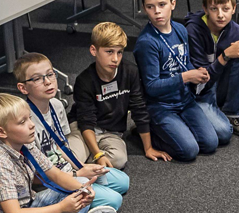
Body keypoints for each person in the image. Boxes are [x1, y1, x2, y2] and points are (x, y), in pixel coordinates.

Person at [14, 52, 130, 213]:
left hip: (65, 169)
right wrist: (76, 174)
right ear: (23, 88)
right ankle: (71, 211)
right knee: (114, 199)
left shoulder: (56, 105)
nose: (48, 82)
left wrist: (81, 166)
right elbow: (31, 173)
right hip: (47, 181)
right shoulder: (23, 121)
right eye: (38, 78)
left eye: (50, 74)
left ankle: (84, 196)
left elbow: (60, 145)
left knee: (123, 182)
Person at [133, 0, 230, 161]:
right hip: (161, 106)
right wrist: (186, 77)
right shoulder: (147, 43)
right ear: (145, 9)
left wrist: (197, 73)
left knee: (210, 144)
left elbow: (183, 63)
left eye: (162, 5)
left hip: (185, 100)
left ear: (173, 4)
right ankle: (148, 131)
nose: (157, 12)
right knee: (189, 151)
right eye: (150, 7)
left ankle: (176, 129)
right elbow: (152, 86)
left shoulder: (180, 30)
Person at [69, 22, 171, 167]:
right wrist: (98, 154)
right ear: (93, 50)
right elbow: (86, 122)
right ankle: (86, 161)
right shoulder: (84, 81)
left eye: (119, 52)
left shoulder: (131, 72)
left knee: (119, 160)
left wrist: (148, 148)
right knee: (71, 157)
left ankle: (83, 165)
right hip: (83, 129)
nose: (115, 59)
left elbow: (139, 109)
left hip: (112, 131)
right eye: (109, 52)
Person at [186, 0, 239, 137]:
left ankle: (232, 113)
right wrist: (225, 55)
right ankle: (201, 113)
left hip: (222, 85)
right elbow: (201, 79)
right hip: (200, 92)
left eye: (225, 9)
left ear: (233, 8)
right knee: (223, 133)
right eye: (214, 9)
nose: (220, 14)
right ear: (205, 9)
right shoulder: (193, 30)